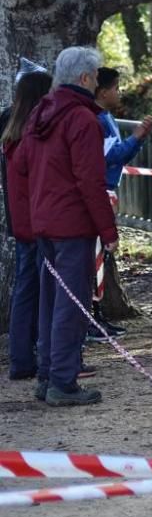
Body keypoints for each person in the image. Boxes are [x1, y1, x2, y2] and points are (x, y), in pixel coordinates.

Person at [9, 46, 117, 406]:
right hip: (72, 225)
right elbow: (91, 181)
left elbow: (21, 166)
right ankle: (62, 382)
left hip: (43, 224)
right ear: (85, 78)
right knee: (71, 304)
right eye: (98, 74)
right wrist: (108, 231)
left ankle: (46, 376)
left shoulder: (40, 113)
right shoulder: (82, 120)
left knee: (51, 300)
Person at [87, 67, 152, 341]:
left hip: (109, 190)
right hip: (100, 192)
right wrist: (136, 136)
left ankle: (97, 313)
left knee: (101, 257)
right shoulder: (99, 121)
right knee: (94, 257)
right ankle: (90, 317)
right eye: (116, 88)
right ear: (103, 92)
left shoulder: (106, 118)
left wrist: (135, 141)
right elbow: (111, 156)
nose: (119, 92)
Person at [1, 65, 52, 383]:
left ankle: (23, 356)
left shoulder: (10, 127)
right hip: (38, 221)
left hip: (21, 222)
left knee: (26, 288)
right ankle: (33, 356)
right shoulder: (33, 130)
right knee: (40, 289)